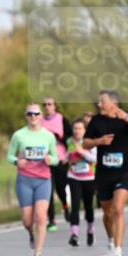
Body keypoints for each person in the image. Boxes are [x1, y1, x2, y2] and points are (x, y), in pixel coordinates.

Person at [84, 90, 128, 256]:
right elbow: (85, 143)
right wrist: (99, 141)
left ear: (113, 103)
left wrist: (125, 116)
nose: (99, 105)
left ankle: (118, 250)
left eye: (102, 102)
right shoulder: (96, 121)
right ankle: (110, 239)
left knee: (118, 209)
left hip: (123, 171)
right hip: (103, 173)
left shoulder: (125, 117)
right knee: (107, 212)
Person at [8, 103, 59, 256]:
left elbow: (56, 158)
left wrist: (51, 160)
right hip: (25, 180)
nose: (33, 117)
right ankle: (31, 233)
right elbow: (9, 156)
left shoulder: (48, 136)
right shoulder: (19, 135)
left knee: (41, 217)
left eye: (36, 114)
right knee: (27, 221)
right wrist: (17, 161)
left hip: (43, 180)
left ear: (41, 116)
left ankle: (38, 254)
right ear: (26, 116)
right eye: (30, 114)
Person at [41, 97, 71, 232]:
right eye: (45, 104)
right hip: (45, 161)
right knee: (48, 191)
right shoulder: (40, 121)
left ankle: (65, 207)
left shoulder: (61, 119)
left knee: (60, 189)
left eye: (50, 104)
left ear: (55, 106)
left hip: (60, 159)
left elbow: (70, 139)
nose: (47, 106)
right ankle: (51, 220)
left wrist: (68, 155)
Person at [65, 118, 97, 247]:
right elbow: (66, 156)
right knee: (75, 206)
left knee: (88, 207)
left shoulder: (90, 142)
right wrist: (68, 159)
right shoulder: (69, 142)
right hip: (73, 177)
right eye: (75, 129)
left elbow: (95, 159)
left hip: (89, 178)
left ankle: (90, 230)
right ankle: (74, 235)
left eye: (80, 129)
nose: (77, 131)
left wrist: (82, 153)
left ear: (85, 130)